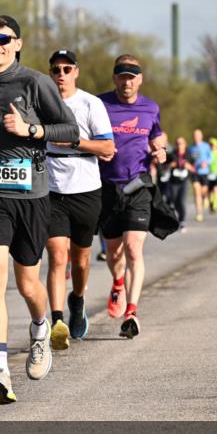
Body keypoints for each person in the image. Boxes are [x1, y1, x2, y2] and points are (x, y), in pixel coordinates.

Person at [0, 15, 78, 404]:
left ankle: (41, 328)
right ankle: (0, 368)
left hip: (31, 195)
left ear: (17, 44)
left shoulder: (35, 83)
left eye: (3, 39)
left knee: (27, 283)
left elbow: (70, 131)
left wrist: (33, 131)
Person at [42, 49, 115, 349]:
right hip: (51, 191)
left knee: (80, 260)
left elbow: (108, 148)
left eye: (67, 69)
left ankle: (78, 300)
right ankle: (57, 321)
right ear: (50, 73)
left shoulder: (90, 103)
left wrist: (73, 141)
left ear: (76, 72)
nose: (61, 74)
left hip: (86, 190)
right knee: (57, 257)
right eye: (56, 69)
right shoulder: (40, 102)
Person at [97, 55, 168, 339]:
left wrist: (161, 150)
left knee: (134, 248)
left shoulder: (150, 108)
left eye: (132, 76)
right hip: (107, 187)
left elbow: (157, 135)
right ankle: (117, 281)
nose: (127, 82)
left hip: (138, 185)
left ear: (140, 79)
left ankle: (132, 311)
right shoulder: (100, 104)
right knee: (114, 252)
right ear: (115, 78)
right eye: (122, 76)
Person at [162, 136, 192, 230]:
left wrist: (188, 166)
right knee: (175, 201)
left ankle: (182, 221)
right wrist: (170, 165)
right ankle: (178, 219)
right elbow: (164, 166)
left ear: (185, 144)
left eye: (181, 143)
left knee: (182, 201)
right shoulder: (171, 154)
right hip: (173, 182)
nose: (179, 145)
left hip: (184, 181)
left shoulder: (189, 154)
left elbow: (195, 169)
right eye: (178, 143)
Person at [187, 128, 211, 222]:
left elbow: (210, 157)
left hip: (204, 172)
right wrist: (190, 166)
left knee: (203, 192)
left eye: (198, 135)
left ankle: (205, 198)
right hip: (195, 173)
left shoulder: (206, 146)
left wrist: (206, 162)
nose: (196, 137)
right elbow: (188, 159)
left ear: (201, 136)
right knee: (197, 192)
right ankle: (199, 214)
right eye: (194, 135)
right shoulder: (190, 148)